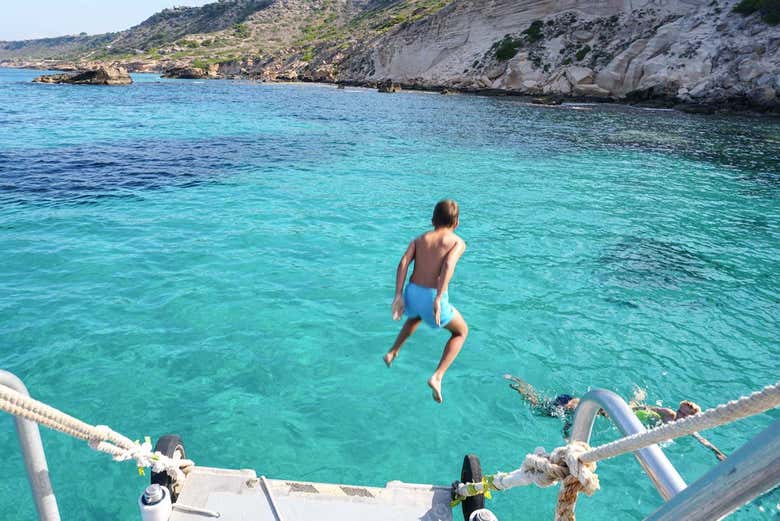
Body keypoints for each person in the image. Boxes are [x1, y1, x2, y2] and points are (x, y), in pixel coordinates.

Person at [505, 375, 727, 461]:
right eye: (682, 412)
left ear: (690, 418)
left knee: (558, 413)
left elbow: (704, 441)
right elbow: (647, 408)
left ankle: (565, 423)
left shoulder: (687, 428)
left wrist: (718, 454)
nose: (681, 416)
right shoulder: (668, 415)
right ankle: (522, 387)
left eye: (685, 414)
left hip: (611, 410)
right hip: (611, 410)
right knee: (540, 407)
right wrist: (631, 406)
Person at [383, 199, 468, 403]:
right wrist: (439, 298)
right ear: (456, 223)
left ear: (432, 220)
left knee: (416, 317)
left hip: (412, 292)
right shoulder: (457, 242)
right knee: (461, 332)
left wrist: (398, 295)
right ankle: (437, 377)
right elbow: (448, 264)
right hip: (431, 296)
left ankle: (393, 351)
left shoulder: (420, 239)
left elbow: (403, 263)